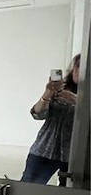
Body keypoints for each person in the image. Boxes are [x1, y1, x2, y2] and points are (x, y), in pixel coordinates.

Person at [20, 54, 80, 184]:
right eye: (77, 66)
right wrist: (48, 92)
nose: (79, 71)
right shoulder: (61, 88)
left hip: (78, 158)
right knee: (28, 190)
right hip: (46, 149)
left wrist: (77, 100)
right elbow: (38, 114)